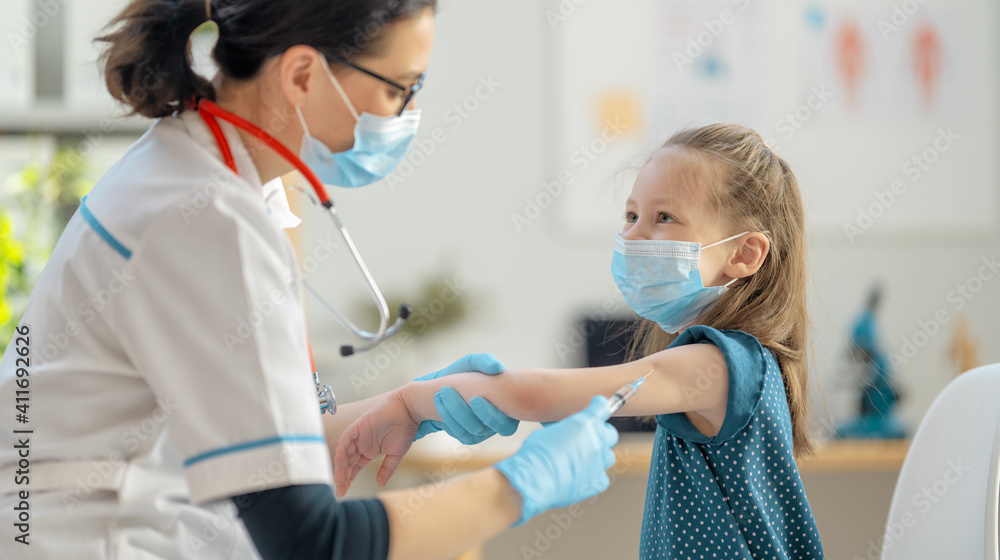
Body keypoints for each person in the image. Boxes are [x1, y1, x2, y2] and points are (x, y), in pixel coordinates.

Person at [0, 1, 619, 559]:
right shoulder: (211, 216)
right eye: (399, 89)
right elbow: (314, 542)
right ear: (301, 74)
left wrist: (393, 407)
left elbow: (237, 439)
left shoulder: (190, 173)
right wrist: (519, 486)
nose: (405, 115)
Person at [334, 124, 827, 559]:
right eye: (631, 216)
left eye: (664, 219)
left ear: (744, 253)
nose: (633, 236)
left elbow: (540, 395)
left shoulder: (718, 366)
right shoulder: (735, 362)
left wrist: (412, 401)